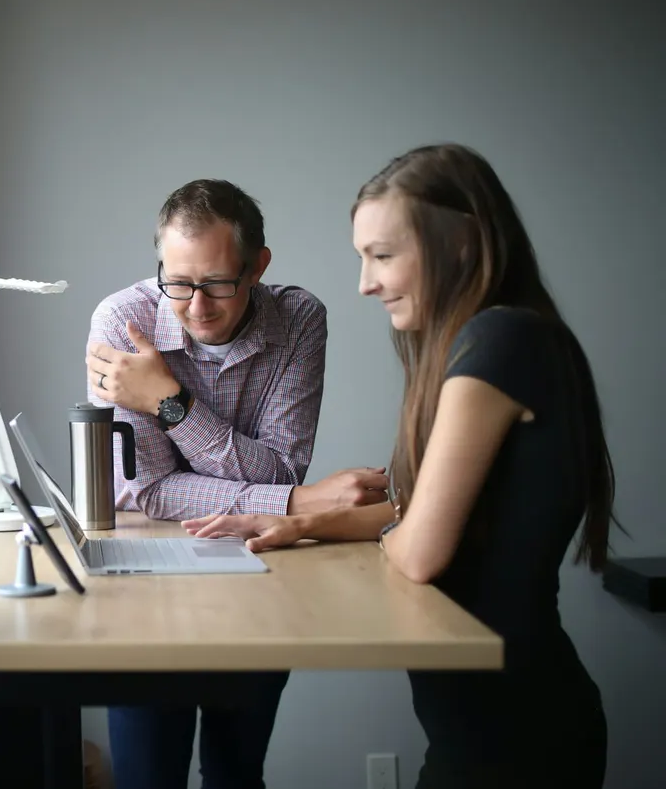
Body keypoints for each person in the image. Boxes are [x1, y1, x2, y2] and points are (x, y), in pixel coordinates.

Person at [183, 144, 613, 788]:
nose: (366, 282)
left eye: (383, 255)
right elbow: (420, 516)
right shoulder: (499, 338)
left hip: (517, 733)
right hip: (481, 723)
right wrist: (306, 524)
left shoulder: (498, 343)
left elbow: (419, 551)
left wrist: (357, 521)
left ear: (461, 242)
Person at [84, 179, 389, 789]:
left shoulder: (299, 320)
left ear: (257, 268)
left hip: (262, 576)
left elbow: (282, 467)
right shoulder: (122, 321)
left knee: (236, 774)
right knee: (146, 779)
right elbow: (142, 493)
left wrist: (171, 403)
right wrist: (296, 503)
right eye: (178, 282)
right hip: (146, 588)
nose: (196, 305)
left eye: (218, 283)